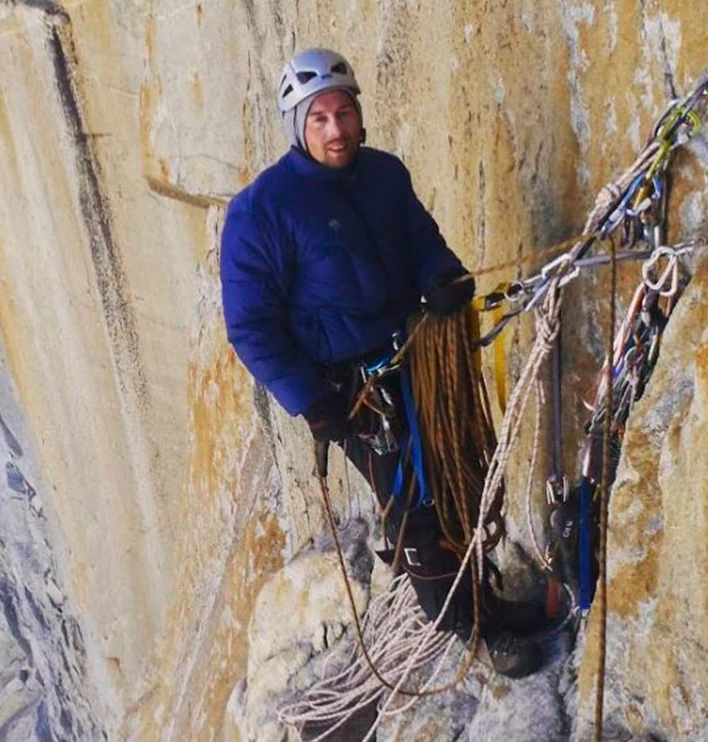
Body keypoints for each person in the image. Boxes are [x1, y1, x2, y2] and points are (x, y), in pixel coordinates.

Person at [220, 48, 545, 678]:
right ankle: (469, 628)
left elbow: (421, 241)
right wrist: (317, 405)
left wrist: (443, 277)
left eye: (344, 113)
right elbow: (252, 326)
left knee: (458, 474)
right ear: (298, 128)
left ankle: (487, 601)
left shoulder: (384, 175)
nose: (336, 129)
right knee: (415, 503)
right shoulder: (261, 213)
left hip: (414, 356)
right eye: (319, 119)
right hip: (350, 391)